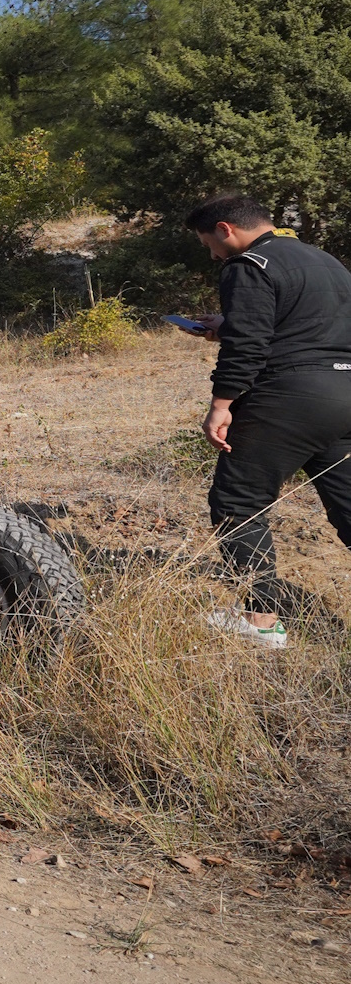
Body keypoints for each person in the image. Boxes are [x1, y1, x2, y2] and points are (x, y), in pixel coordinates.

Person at [178, 193, 351, 650]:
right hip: (346, 395)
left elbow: (249, 347)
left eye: (205, 243)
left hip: (287, 396)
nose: (211, 254)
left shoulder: (247, 265)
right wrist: (228, 321)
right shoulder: (325, 261)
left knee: (238, 500)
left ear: (224, 229)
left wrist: (221, 403)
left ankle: (261, 620)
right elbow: (304, 324)